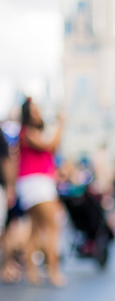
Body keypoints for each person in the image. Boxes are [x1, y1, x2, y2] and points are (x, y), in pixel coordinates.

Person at [17, 97, 65, 286]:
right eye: (34, 111)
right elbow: (50, 145)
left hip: (33, 183)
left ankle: (32, 272)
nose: (38, 114)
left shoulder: (28, 133)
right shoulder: (28, 132)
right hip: (37, 183)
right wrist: (61, 124)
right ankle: (53, 271)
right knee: (53, 227)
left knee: (35, 228)